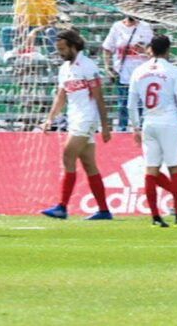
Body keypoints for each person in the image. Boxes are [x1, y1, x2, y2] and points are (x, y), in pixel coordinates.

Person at [129, 34, 177, 228]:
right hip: (169, 122)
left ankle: (155, 217)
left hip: (148, 122)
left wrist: (135, 127)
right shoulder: (174, 71)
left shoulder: (138, 71)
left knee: (151, 169)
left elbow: (131, 104)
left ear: (151, 49)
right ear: (168, 50)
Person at [40, 29, 112, 220]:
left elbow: (99, 96)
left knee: (67, 154)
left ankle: (62, 207)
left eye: (63, 48)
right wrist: (50, 118)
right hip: (74, 118)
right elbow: (61, 96)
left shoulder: (88, 66)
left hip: (87, 118)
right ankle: (104, 210)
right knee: (89, 164)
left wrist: (105, 125)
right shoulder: (65, 69)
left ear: (73, 46)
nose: (60, 53)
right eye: (58, 49)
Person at [102, 15, 154, 132]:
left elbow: (153, 49)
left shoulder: (145, 27)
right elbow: (107, 48)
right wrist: (108, 68)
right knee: (123, 105)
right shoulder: (117, 27)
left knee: (141, 105)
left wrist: (144, 49)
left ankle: (142, 130)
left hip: (142, 74)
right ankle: (122, 130)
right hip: (123, 74)